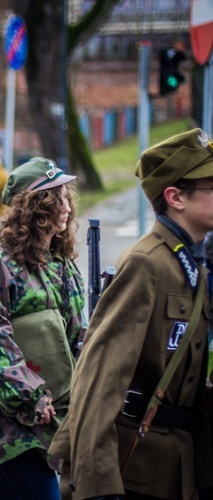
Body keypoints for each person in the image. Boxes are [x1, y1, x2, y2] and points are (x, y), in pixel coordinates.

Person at [50, 129, 213, 499]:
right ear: (176, 197)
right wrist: (97, 483)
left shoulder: (192, 265)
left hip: (180, 466)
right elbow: (101, 375)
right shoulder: (147, 264)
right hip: (136, 470)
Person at [0, 157, 84, 499]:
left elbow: (76, 333)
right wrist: (29, 396)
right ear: (37, 208)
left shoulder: (60, 263)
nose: (67, 207)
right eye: (59, 198)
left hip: (56, 405)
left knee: (6, 492)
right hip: (12, 414)